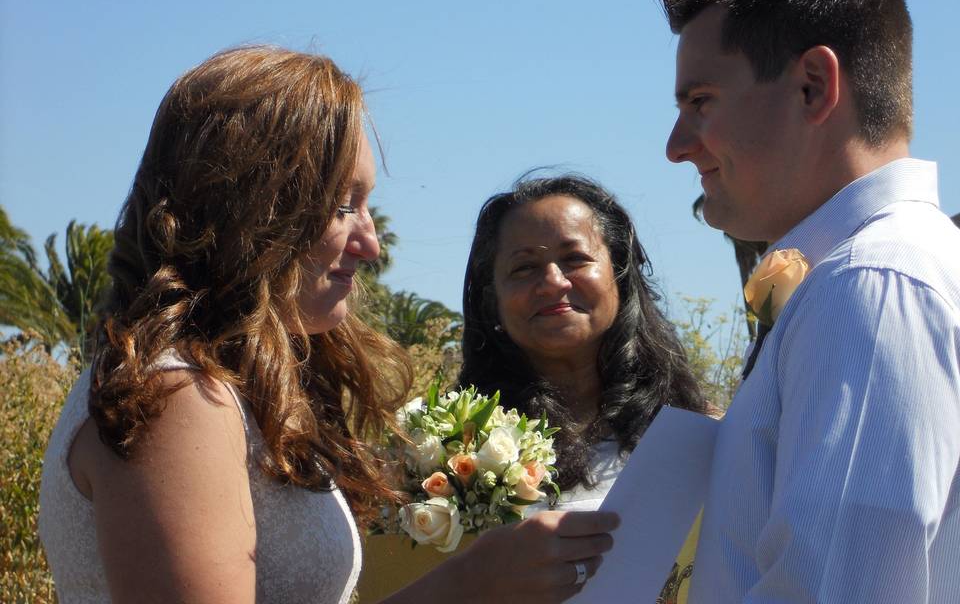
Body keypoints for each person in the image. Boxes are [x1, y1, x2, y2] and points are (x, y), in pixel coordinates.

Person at [38, 46, 618, 604]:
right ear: (251, 209)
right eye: (345, 206)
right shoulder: (175, 398)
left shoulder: (236, 389)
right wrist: (470, 585)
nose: (370, 244)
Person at [658, 0, 960, 600]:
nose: (677, 144)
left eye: (701, 101)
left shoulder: (866, 285)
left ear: (813, 87)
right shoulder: (884, 269)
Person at [458, 174, 709, 600]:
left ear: (621, 275)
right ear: (490, 299)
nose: (553, 281)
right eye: (524, 268)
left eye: (575, 259)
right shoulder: (449, 451)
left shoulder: (700, 435)